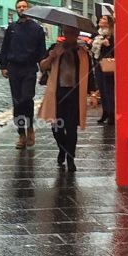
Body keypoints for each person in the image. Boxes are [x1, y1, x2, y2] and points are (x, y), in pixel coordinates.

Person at [39, 23, 90, 171]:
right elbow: (43, 66)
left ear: (77, 33)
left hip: (74, 95)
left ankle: (70, 158)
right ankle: (62, 149)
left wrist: (93, 93)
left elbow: (90, 73)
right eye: (67, 32)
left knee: (71, 128)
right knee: (56, 128)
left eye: (73, 32)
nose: (70, 35)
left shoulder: (82, 52)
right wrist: (51, 57)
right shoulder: (55, 48)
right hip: (57, 94)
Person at [0, 0, 47, 149]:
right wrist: (3, 66)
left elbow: (41, 52)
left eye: (24, 6)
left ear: (29, 9)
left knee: (27, 99)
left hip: (29, 69)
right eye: (19, 7)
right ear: (16, 9)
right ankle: (21, 135)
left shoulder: (37, 29)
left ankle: (30, 127)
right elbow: (5, 49)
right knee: (17, 102)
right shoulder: (12, 28)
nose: (21, 9)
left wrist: (44, 70)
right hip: (14, 69)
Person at [92, 13, 115, 125]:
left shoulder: (111, 35)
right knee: (101, 89)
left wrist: (107, 45)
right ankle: (105, 111)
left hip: (107, 65)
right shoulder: (98, 35)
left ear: (109, 23)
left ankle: (111, 113)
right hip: (98, 64)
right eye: (101, 18)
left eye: (104, 18)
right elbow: (94, 51)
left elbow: (113, 51)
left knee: (109, 90)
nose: (100, 19)